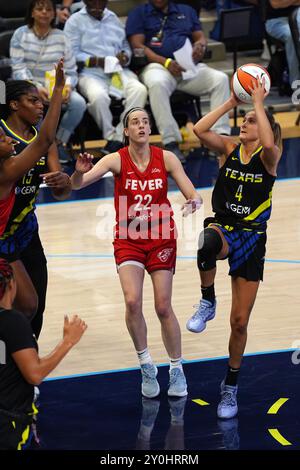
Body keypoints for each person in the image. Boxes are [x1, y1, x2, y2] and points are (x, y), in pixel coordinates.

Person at [71, 107, 202, 398]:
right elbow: (76, 186)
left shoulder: (165, 158)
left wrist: (193, 202)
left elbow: (193, 194)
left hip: (161, 236)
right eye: (135, 122)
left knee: (162, 306)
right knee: (132, 302)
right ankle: (145, 364)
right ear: (126, 131)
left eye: (145, 121)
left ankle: (177, 367)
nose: (141, 125)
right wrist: (77, 174)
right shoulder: (115, 159)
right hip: (128, 237)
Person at [186, 77, 282, 419]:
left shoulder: (269, 156)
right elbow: (198, 129)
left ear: (266, 127)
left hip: (253, 238)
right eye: (244, 119)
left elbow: (269, 143)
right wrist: (231, 102)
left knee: (239, 322)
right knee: (206, 241)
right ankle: (207, 300)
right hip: (225, 227)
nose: (245, 123)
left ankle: (230, 386)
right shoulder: (228, 148)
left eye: (251, 120)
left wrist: (258, 101)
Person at [0, 59, 67, 337]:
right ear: (14, 104)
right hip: (3, 233)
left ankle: (27, 362)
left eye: (42, 102)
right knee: (19, 303)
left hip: (25, 229)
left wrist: (64, 180)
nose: (39, 106)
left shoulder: (41, 137)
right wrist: (58, 91)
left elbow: (60, 191)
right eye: (33, 101)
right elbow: (45, 140)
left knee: (34, 304)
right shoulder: (3, 141)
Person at [125, 0, 231, 163]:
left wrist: (200, 46)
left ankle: (218, 138)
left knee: (220, 79)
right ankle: (170, 141)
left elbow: (200, 36)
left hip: (187, 66)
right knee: (157, 84)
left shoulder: (186, 10)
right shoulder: (139, 13)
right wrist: (165, 62)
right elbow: (137, 45)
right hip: (158, 66)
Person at [0, 257, 87, 450]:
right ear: (11, 284)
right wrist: (68, 341)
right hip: (8, 425)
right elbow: (35, 374)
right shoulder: (12, 322)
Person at [64, 0, 148, 155]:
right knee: (98, 97)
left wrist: (125, 56)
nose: (97, 5)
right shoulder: (74, 21)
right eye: (93, 2)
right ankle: (110, 136)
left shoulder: (113, 17)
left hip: (117, 70)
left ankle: (118, 138)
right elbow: (71, 54)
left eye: (101, 2)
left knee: (139, 90)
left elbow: (125, 47)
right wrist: (97, 60)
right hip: (90, 72)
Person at [10, 0, 86, 162]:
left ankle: (58, 143)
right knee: (34, 105)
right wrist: (35, 88)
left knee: (78, 104)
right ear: (32, 13)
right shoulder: (20, 34)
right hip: (30, 87)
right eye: (39, 8)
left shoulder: (62, 36)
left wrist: (67, 87)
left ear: (54, 14)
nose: (44, 12)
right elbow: (18, 69)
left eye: (48, 9)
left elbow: (71, 71)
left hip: (57, 86)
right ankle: (40, 146)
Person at [265, 1, 300, 86]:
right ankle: (296, 83)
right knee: (291, 36)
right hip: (276, 21)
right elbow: (276, 4)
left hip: (298, 15)